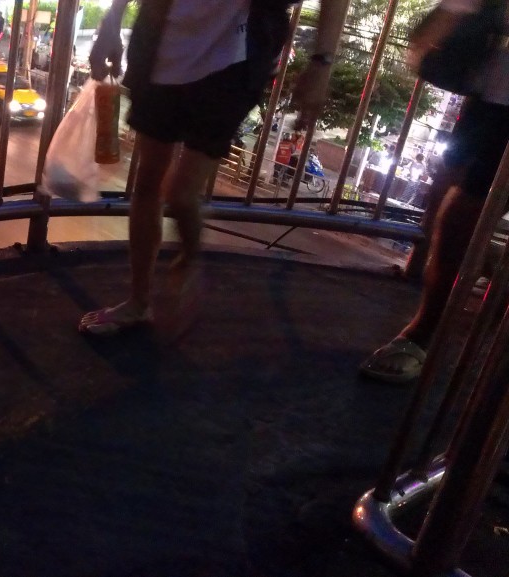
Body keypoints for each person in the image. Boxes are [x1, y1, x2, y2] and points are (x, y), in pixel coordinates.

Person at [79, 0, 349, 335]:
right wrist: (111, 22)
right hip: (160, 42)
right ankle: (138, 303)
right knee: (148, 181)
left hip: (234, 58)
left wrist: (322, 63)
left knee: (181, 195)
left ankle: (189, 259)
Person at [360, 0, 509, 384]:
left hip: (495, 96)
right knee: (458, 208)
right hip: (497, 97)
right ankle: (427, 326)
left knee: (460, 206)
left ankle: (427, 330)